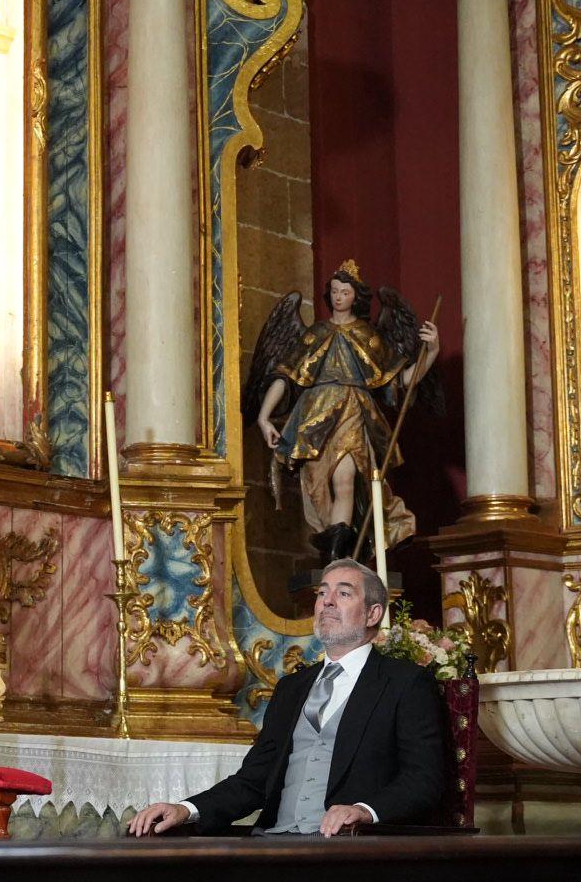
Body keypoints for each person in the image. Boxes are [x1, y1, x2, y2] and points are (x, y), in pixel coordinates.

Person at [127, 559, 448, 837]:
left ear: (373, 613)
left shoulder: (406, 683)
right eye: (322, 593)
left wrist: (365, 811)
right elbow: (254, 780)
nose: (327, 602)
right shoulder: (291, 688)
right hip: (273, 845)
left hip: (350, 851)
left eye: (344, 593)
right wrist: (186, 809)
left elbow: (424, 780)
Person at [244, 261, 440, 562]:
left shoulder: (368, 335)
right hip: (314, 418)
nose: (338, 297)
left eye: (345, 292)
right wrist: (263, 417)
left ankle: (339, 555)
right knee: (316, 488)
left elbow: (403, 379)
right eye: (334, 291)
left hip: (352, 412)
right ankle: (335, 544)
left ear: (355, 297)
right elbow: (286, 376)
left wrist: (433, 350)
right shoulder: (315, 334)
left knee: (345, 479)